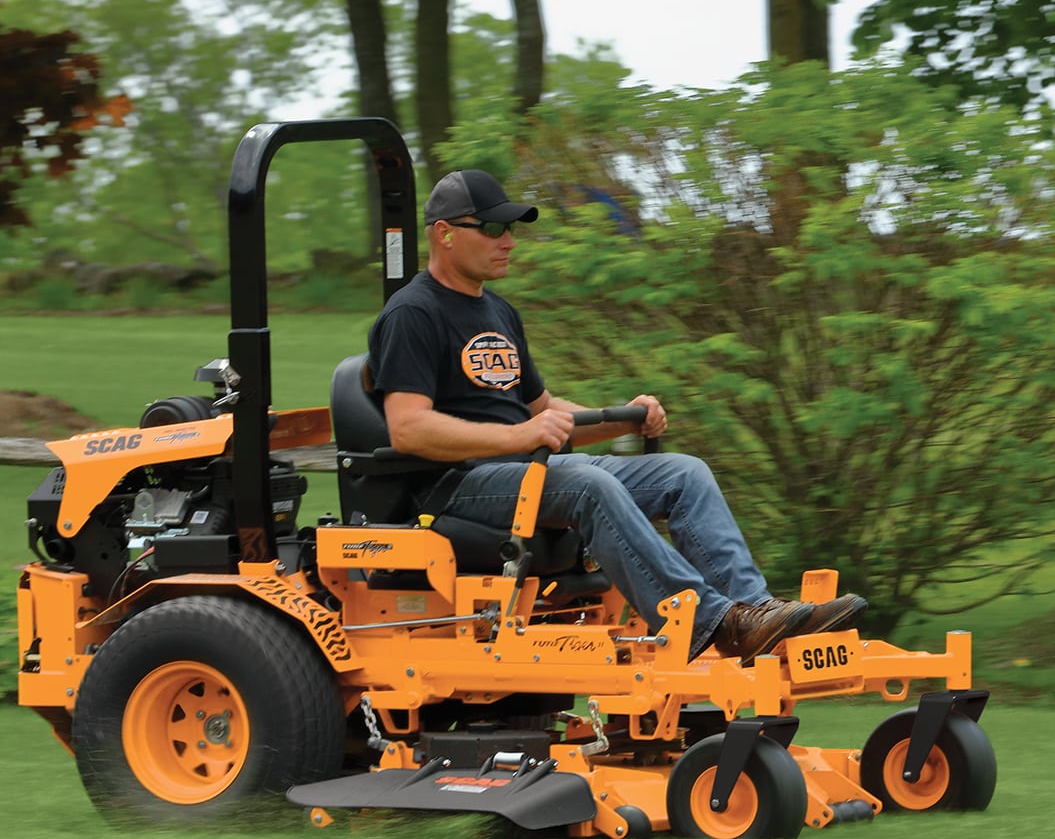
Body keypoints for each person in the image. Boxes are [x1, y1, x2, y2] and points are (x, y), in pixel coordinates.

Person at [366, 168, 867, 661]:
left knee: (683, 472)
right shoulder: (413, 314)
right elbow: (408, 427)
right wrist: (520, 434)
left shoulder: (498, 312)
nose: (509, 242)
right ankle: (706, 619)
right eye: (494, 228)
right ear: (445, 234)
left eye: (512, 228)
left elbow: (544, 411)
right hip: (458, 485)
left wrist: (623, 418)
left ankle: (756, 615)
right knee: (588, 484)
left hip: (528, 468)